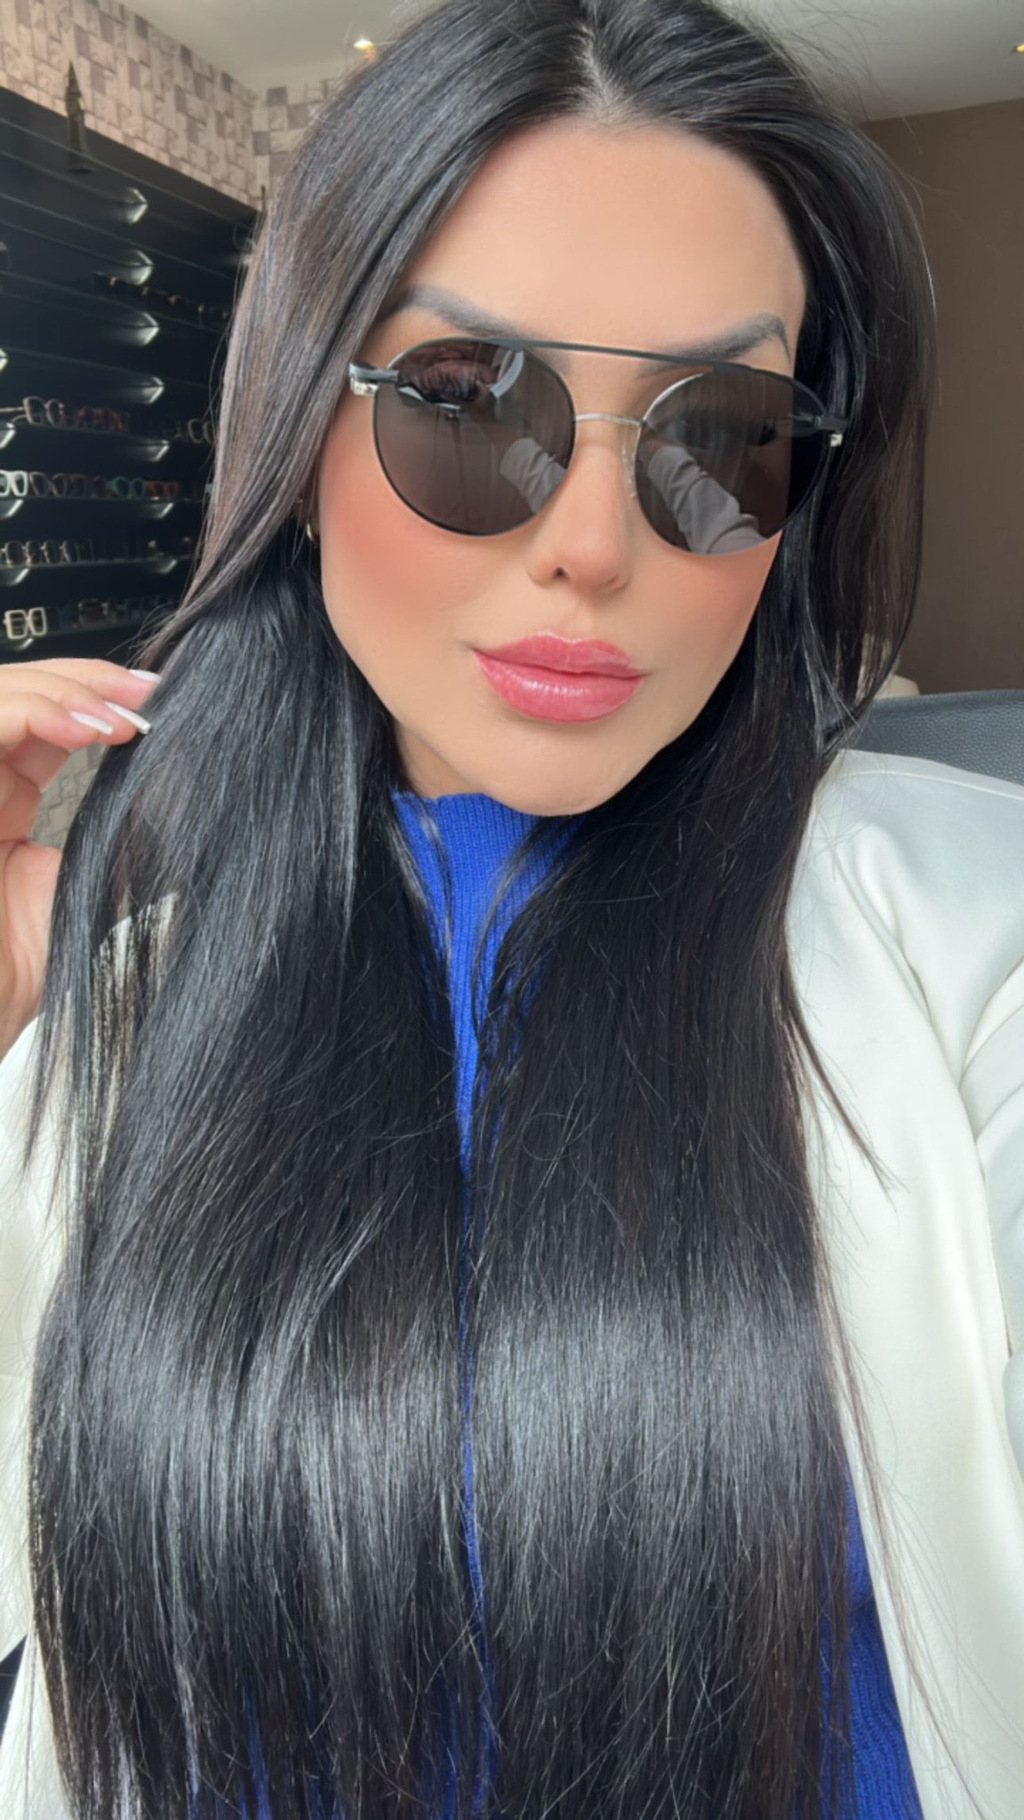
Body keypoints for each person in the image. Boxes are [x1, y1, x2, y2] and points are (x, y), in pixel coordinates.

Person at [0, 1, 1021, 1816]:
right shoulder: (131, 995)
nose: (598, 543)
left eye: (722, 432)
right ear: (299, 434)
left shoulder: (970, 946)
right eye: (471, 404)